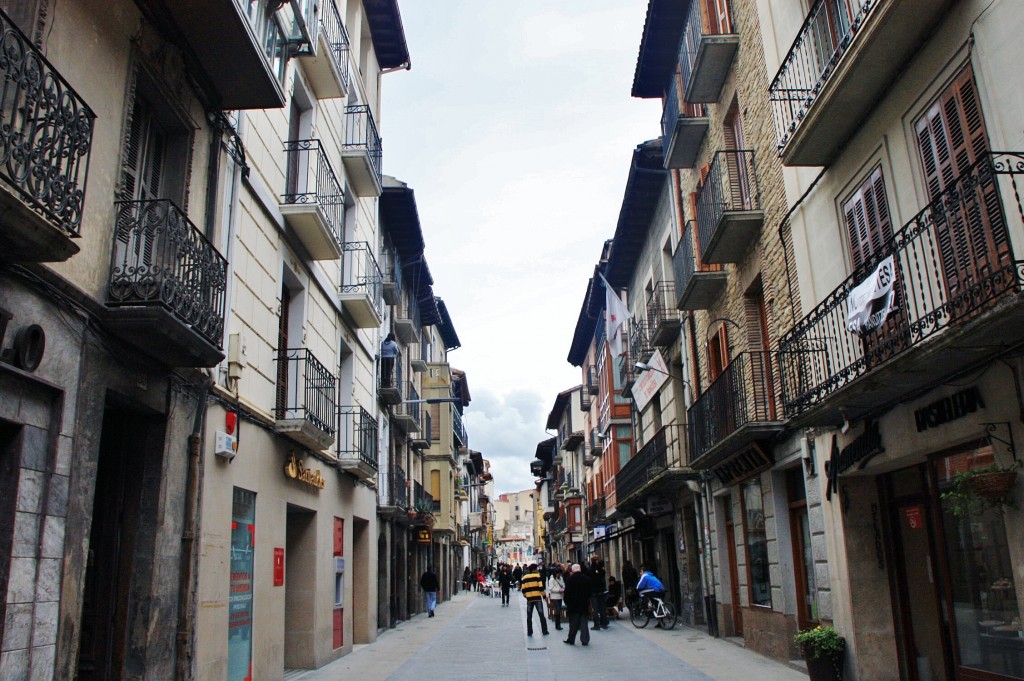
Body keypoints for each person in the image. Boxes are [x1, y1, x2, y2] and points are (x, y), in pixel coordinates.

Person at [562, 563, 593, 646]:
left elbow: (567, 593)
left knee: (573, 623)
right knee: (584, 623)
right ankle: (585, 640)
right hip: (584, 604)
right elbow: (590, 592)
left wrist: (567, 602)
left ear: (572, 570)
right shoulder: (587, 579)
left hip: (573, 605)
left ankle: (571, 639)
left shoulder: (569, 579)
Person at [520, 563, 549, 636]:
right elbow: (541, 587)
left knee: (529, 616)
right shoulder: (537, 576)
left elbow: (523, 589)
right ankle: (544, 631)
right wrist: (544, 596)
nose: (537, 570)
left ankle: (529, 632)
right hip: (537, 598)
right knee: (541, 615)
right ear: (534, 569)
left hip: (529, 599)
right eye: (536, 569)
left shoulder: (525, 577)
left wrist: (526, 596)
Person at [586, 554, 609, 630]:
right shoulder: (601, 570)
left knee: (595, 609)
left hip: (593, 591)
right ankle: (604, 623)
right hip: (601, 591)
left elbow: (588, 581)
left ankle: (596, 625)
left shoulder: (589, 570)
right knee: (602, 607)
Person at [546, 566, 566, 631]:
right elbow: (551, 588)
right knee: (557, 610)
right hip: (554, 597)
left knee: (559, 610)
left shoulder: (561, 578)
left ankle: (558, 624)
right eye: (558, 573)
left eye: (560, 573)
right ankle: (557, 625)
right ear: (555, 573)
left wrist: (563, 587)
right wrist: (559, 590)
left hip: (560, 596)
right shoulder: (552, 579)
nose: (559, 575)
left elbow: (563, 584)